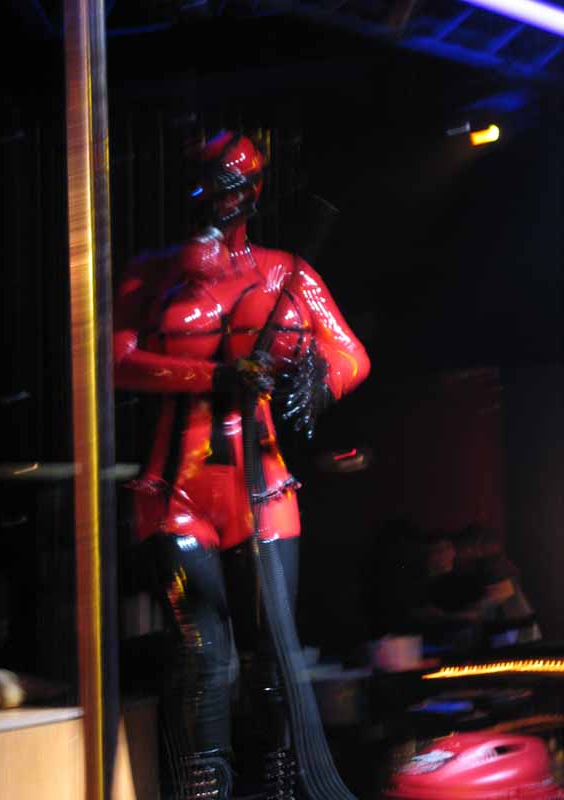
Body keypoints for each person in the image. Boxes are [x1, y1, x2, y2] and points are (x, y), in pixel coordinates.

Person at [113, 130, 370, 800]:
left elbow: (350, 354)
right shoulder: (151, 274)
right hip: (176, 491)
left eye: (232, 187)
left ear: (253, 191)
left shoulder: (288, 273)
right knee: (201, 655)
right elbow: (116, 361)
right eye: (208, 185)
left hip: (264, 490)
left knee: (271, 658)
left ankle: (280, 792)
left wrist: (318, 379)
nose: (218, 201)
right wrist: (213, 375)